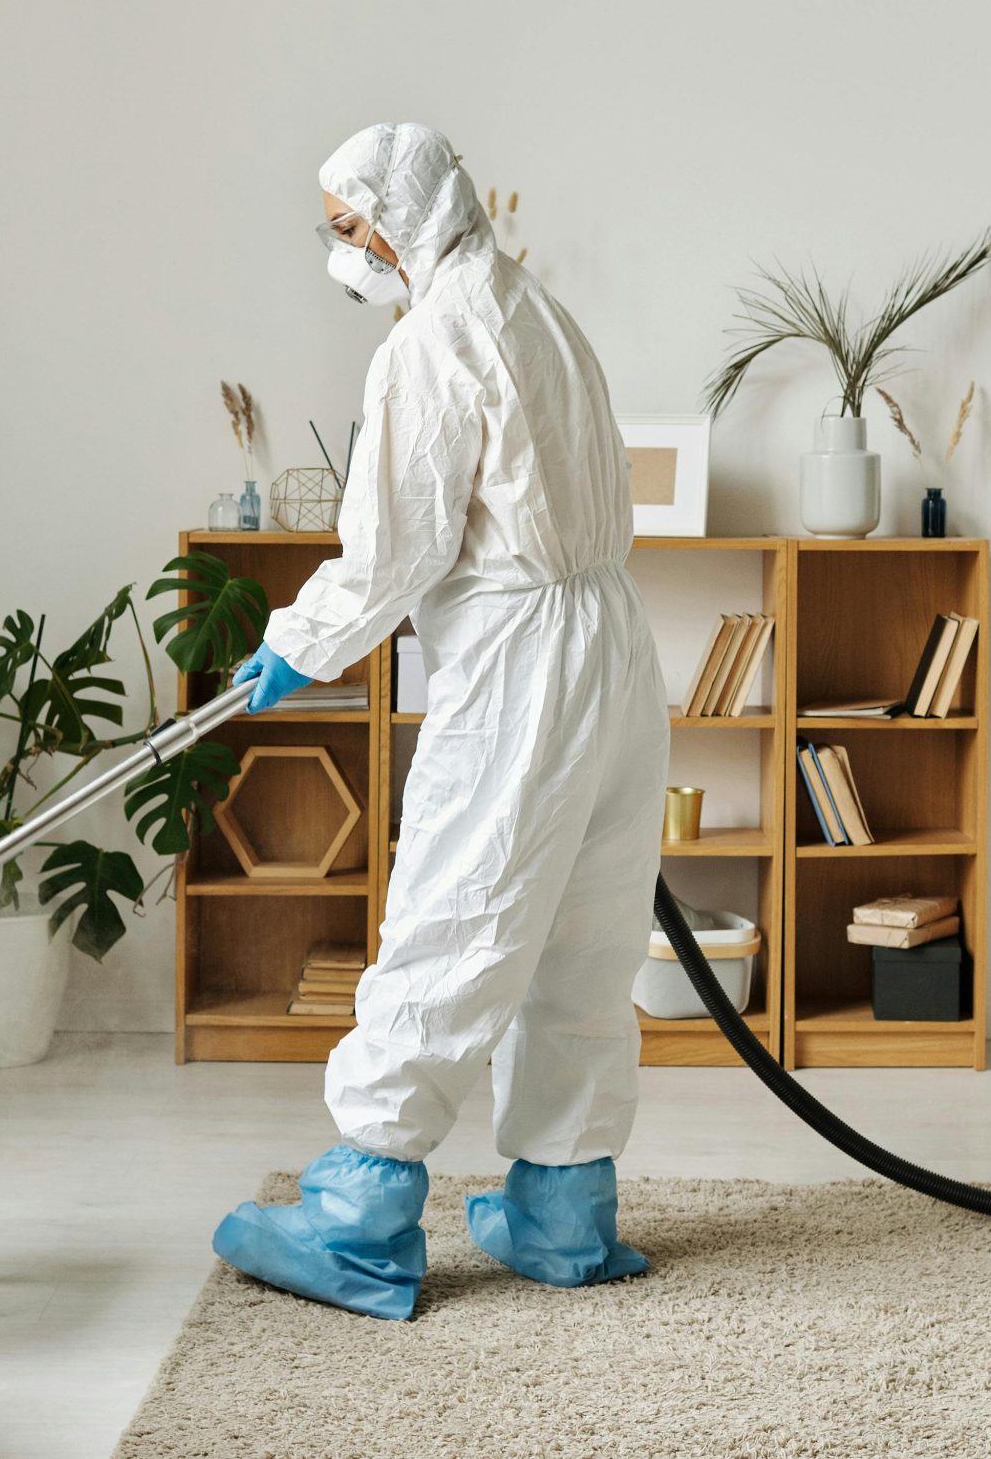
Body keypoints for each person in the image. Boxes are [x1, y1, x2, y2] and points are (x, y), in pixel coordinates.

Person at [211, 123, 668, 1320]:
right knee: (584, 930)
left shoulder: (428, 343)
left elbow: (393, 549)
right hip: (616, 641)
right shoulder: (536, 308)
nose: (343, 252)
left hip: (522, 656)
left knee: (453, 914)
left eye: (349, 228)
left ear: (397, 220)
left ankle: (359, 1220)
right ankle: (563, 1215)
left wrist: (295, 641)